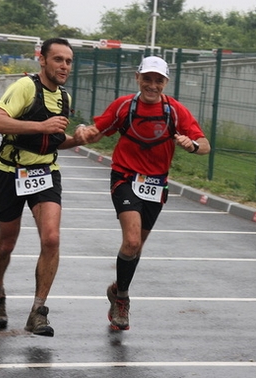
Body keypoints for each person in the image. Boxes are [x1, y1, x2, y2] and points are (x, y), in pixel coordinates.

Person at [76, 56, 211, 330]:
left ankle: (116, 289)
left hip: (156, 183)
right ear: (137, 77)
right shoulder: (125, 106)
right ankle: (123, 300)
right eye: (147, 78)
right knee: (133, 241)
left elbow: (205, 144)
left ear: (166, 82)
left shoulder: (175, 111)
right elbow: (99, 131)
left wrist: (192, 145)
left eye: (158, 80)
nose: (152, 85)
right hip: (125, 176)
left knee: (135, 249)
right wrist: (84, 132)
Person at [0, 37, 81, 337]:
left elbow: (52, 140)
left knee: (51, 239)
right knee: (6, 244)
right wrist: (40, 125)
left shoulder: (64, 98)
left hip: (45, 172)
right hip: (10, 172)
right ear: (42, 60)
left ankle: (38, 311)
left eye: (68, 61)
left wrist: (78, 139)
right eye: (58, 59)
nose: (64, 66)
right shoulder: (25, 87)